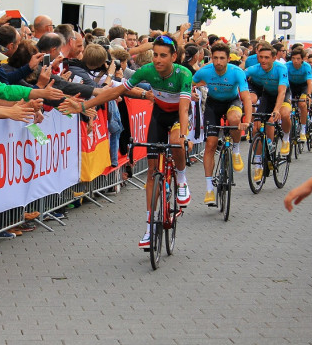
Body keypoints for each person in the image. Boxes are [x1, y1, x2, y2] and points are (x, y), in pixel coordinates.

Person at [59, 35, 193, 249]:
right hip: (159, 115)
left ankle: (182, 178)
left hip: (178, 115)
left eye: (163, 56)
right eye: (155, 55)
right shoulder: (147, 71)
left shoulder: (183, 74)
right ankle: (150, 227)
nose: (157, 60)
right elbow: (116, 91)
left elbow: (184, 108)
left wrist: (185, 136)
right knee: (152, 171)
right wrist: (84, 107)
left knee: (176, 141)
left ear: (174, 57)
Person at [191, 42, 251, 205]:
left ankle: (236, 150)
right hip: (213, 105)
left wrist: (248, 121)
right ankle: (209, 188)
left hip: (232, 102)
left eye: (222, 58)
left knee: (234, 120)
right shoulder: (205, 71)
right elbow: (190, 82)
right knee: (210, 144)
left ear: (228, 59)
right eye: (215, 58)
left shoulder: (237, 72)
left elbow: (246, 97)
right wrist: (190, 92)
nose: (218, 62)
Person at [244, 42, 292, 178]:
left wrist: (276, 110)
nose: (263, 60)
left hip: (282, 94)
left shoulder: (281, 68)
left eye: (266, 57)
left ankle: (286, 138)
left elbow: (282, 92)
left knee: (281, 115)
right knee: (256, 128)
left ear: (273, 58)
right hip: (268, 95)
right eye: (261, 57)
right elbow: (239, 75)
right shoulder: (255, 68)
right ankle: (258, 163)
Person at [285, 47, 312, 143]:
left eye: (298, 59)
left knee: (302, 104)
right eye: (293, 58)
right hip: (291, 86)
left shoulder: (307, 66)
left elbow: (309, 83)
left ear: (302, 59)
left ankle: (302, 129)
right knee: (287, 106)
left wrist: (308, 95)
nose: (295, 61)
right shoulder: (287, 66)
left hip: (303, 86)